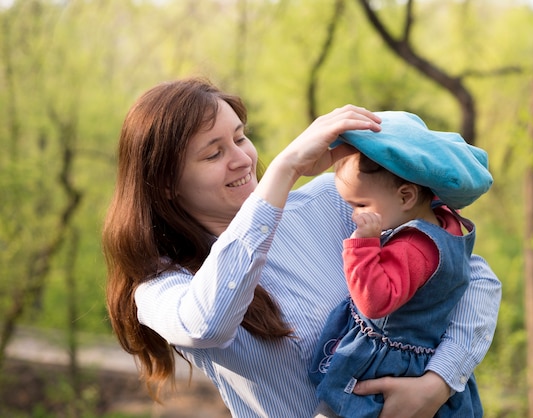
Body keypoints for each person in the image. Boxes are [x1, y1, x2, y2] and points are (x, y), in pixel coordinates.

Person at [102, 78, 502, 418]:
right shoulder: (161, 288)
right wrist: (284, 168)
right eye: (214, 153)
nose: (242, 159)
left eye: (241, 137)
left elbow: (470, 273)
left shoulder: (335, 201)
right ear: (166, 183)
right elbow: (208, 324)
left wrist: (440, 381)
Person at [308, 111, 493, 418]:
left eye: (361, 205)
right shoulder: (444, 221)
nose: (353, 215)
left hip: (384, 366)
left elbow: (375, 302)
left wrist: (362, 247)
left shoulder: (413, 247)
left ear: (406, 195)